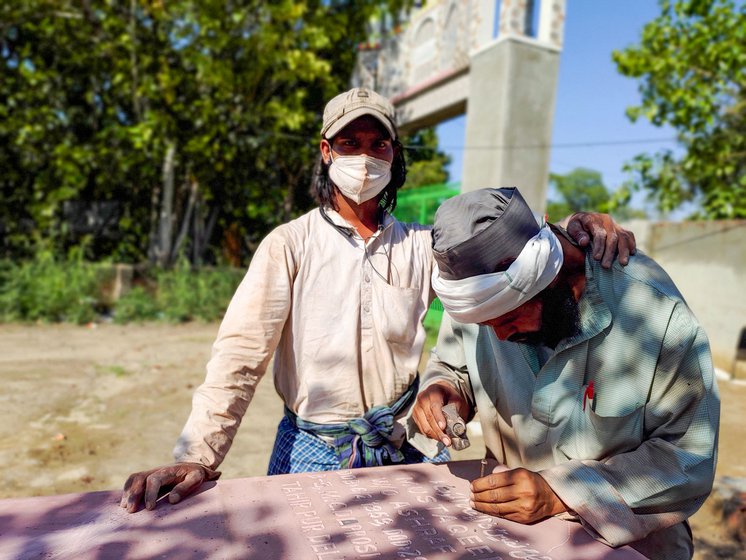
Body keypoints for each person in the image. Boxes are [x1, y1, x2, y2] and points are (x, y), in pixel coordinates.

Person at [121, 89, 635, 514]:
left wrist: (574, 230)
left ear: (394, 154)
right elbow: (238, 357)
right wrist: (199, 456)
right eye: (350, 143)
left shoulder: (422, 246)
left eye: (378, 143)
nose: (364, 157)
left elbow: (499, 249)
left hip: (395, 449)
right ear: (327, 152)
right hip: (309, 449)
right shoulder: (289, 244)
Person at [411, 187, 720, 560]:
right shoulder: (484, 307)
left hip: (630, 545)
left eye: (509, 318)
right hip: (511, 536)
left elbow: (688, 457)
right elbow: (453, 365)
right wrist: (444, 390)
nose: (501, 336)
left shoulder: (654, 312)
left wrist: (561, 492)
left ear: (550, 275)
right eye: (485, 324)